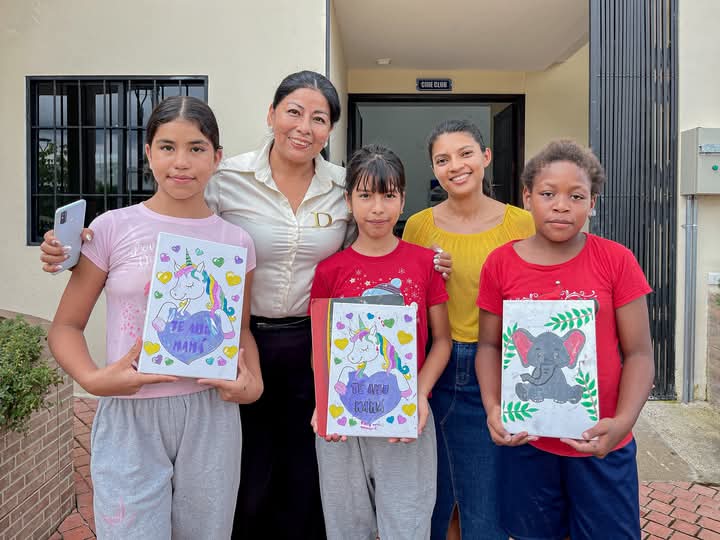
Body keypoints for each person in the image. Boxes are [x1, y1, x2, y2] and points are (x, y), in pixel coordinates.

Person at [39, 71, 453, 539]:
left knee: (303, 478)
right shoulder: (225, 179)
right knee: (248, 482)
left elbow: (375, 243)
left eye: (319, 118)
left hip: (309, 343)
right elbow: (171, 218)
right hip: (237, 342)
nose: (304, 126)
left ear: (331, 129)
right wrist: (70, 247)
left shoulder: (347, 187)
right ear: (271, 114)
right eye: (293, 111)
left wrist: (430, 260)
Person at [47, 96, 263, 540]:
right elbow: (66, 326)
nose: (181, 162)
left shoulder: (236, 241)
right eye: (167, 147)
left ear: (217, 157)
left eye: (196, 148)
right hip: (131, 412)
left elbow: (240, 330)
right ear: (148, 153)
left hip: (210, 413)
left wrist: (253, 383)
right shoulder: (111, 228)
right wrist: (92, 379)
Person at [475, 139, 654, 540]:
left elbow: (640, 354)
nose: (561, 206)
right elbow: (489, 346)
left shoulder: (616, 260)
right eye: (547, 194)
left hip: (600, 441)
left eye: (576, 196)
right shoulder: (501, 264)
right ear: (527, 197)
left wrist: (622, 423)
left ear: (592, 203)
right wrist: (493, 408)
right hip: (528, 443)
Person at [308, 144, 452, 540]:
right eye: (365, 195)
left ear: (402, 199)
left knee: (407, 524)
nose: (377, 208)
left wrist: (418, 394)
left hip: (405, 415)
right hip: (342, 421)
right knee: (346, 526)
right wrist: (324, 401)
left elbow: (442, 341)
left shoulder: (424, 264)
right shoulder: (330, 270)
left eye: (388, 196)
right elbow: (320, 347)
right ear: (348, 200)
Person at [402, 119, 534, 540]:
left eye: (465, 154)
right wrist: (425, 273)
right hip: (434, 365)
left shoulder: (522, 223)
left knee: (485, 495)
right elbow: (405, 299)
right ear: (433, 169)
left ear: (485, 157)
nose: (455, 166)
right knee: (431, 492)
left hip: (498, 365)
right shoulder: (418, 226)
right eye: (442, 160)